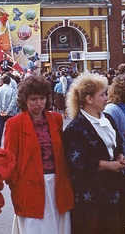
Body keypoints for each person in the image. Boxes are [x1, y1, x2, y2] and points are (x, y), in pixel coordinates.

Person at [4, 75, 74, 234]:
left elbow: (62, 153)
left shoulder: (56, 119)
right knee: (35, 228)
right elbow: (9, 158)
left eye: (42, 98)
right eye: (33, 99)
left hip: (57, 183)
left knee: (58, 226)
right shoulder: (14, 123)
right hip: (30, 186)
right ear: (24, 100)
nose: (38, 103)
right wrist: (16, 186)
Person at [62, 72, 125, 234]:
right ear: (89, 99)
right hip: (90, 198)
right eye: (102, 95)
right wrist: (109, 165)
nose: (107, 98)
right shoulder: (76, 128)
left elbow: (117, 144)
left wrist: (119, 156)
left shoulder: (108, 119)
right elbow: (78, 162)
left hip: (112, 192)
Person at [0, 75, 18, 148]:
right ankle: (10, 144)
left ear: (2, 81)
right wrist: (8, 111)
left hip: (0, 113)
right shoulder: (12, 90)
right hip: (10, 113)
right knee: (10, 130)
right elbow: (13, 102)